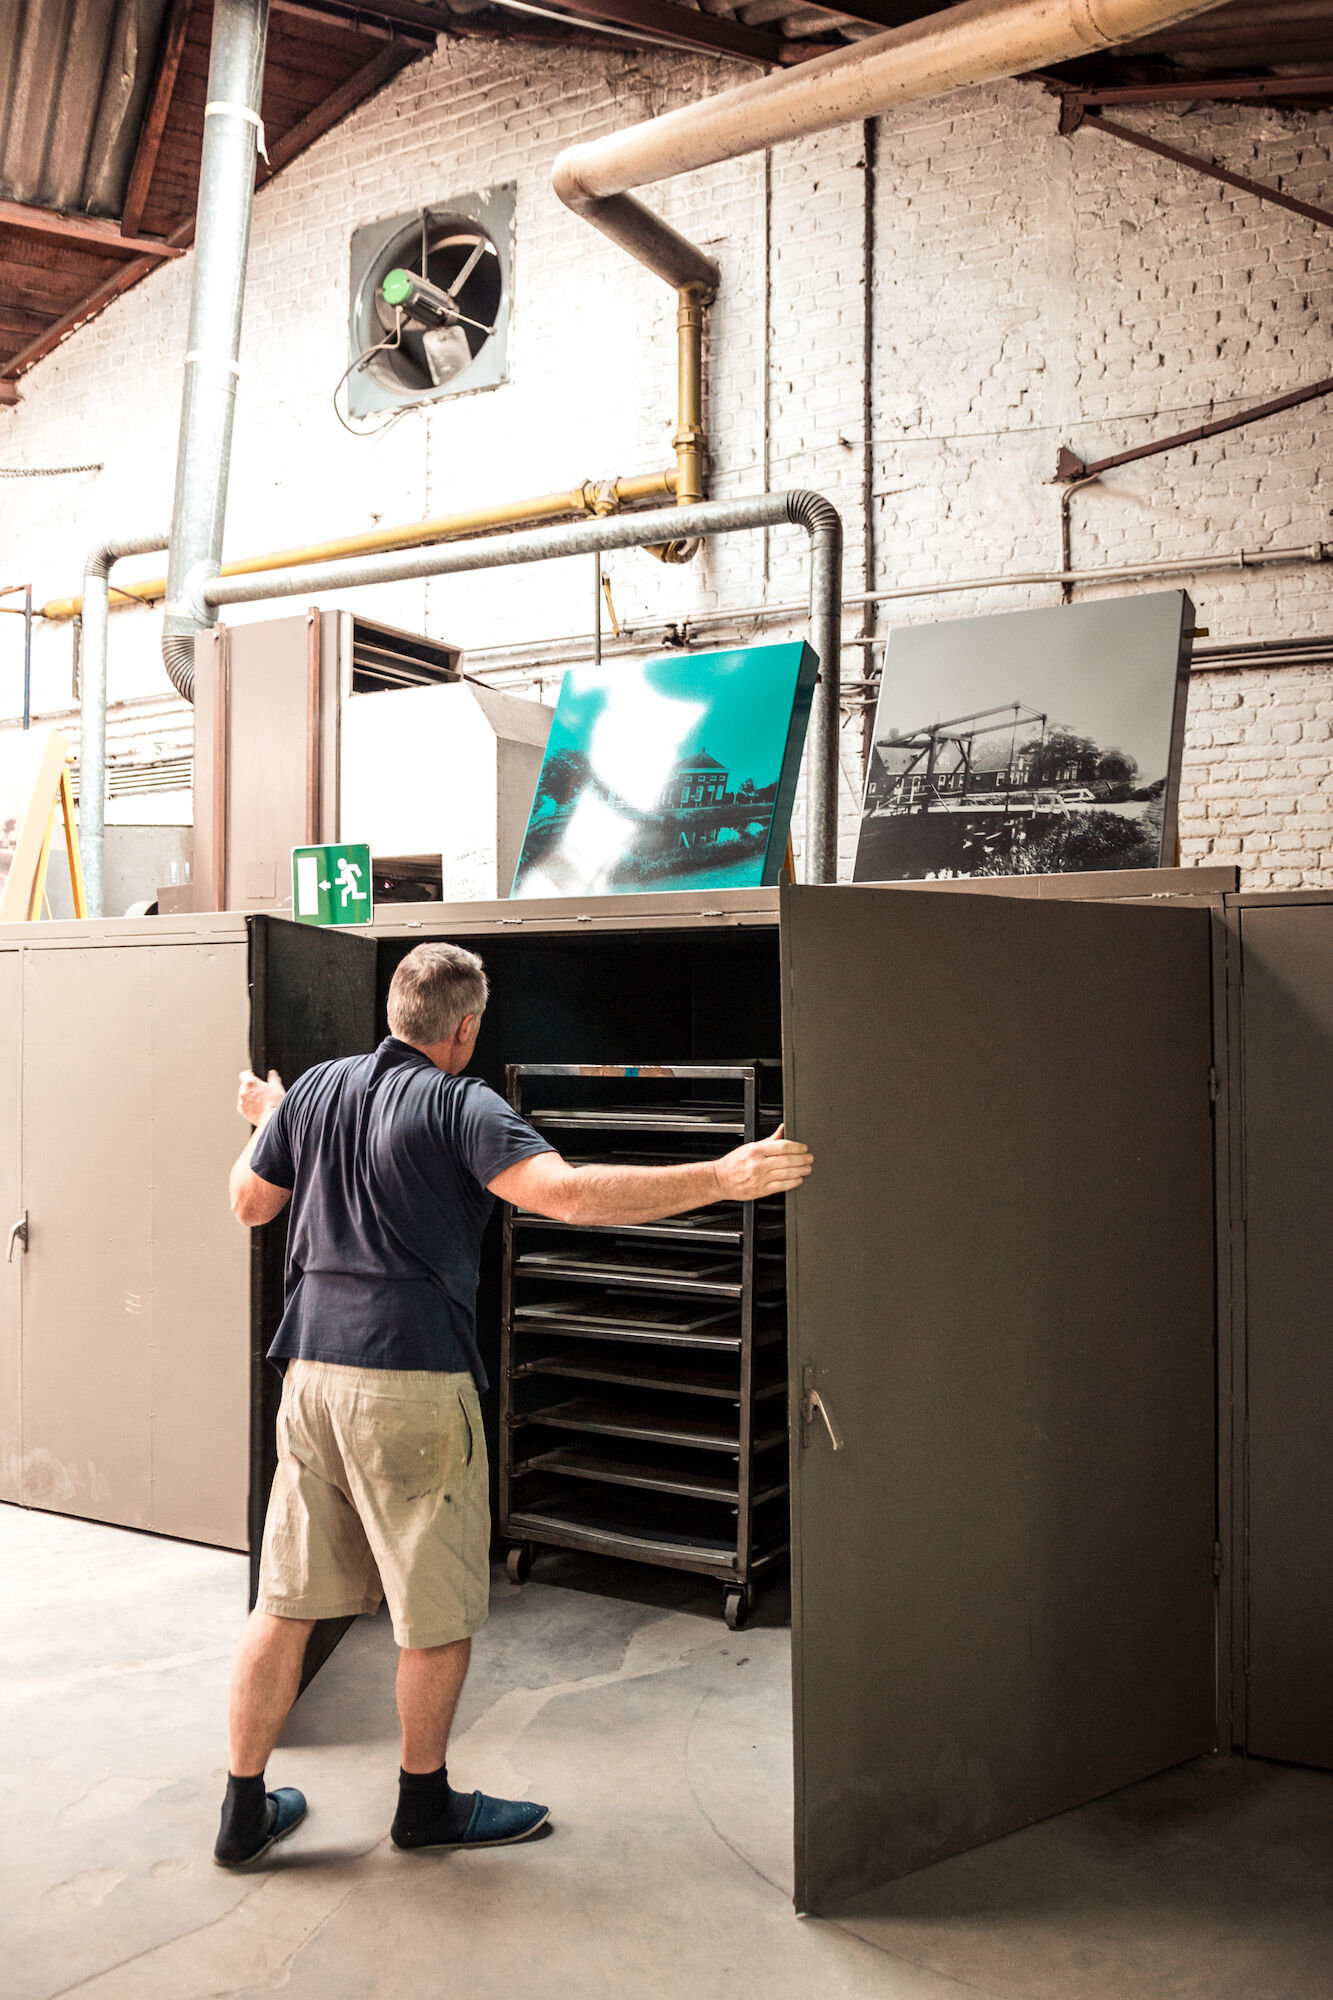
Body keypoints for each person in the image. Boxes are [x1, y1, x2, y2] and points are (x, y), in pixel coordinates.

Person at [215, 940, 814, 1868]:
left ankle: (242, 1814)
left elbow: (250, 1205)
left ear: (394, 1012)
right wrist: (722, 1178)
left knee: (285, 1603)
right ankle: (424, 1808)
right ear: (465, 1027)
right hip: (411, 1386)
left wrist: (266, 1120)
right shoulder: (464, 1103)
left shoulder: (319, 1091)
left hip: (310, 1377)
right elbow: (566, 1198)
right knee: (436, 1612)